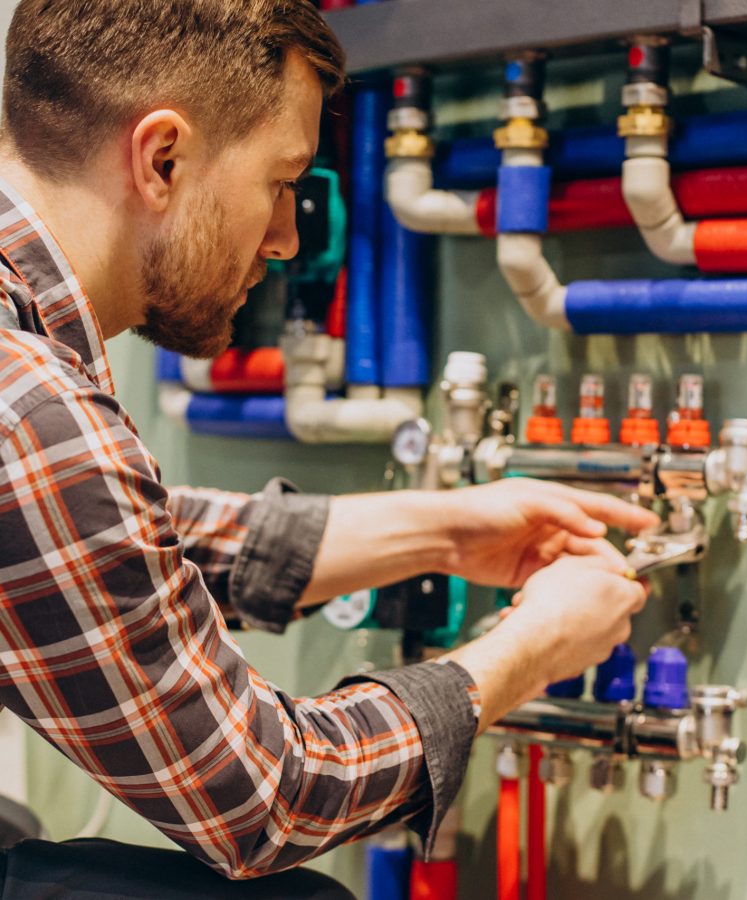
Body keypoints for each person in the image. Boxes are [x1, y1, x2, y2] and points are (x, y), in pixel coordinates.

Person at [0, 0, 655, 896]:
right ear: (162, 160)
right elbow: (266, 799)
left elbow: (103, 545)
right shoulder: (28, 406)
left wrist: (447, 529)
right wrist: (529, 648)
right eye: (282, 181)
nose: (288, 237)